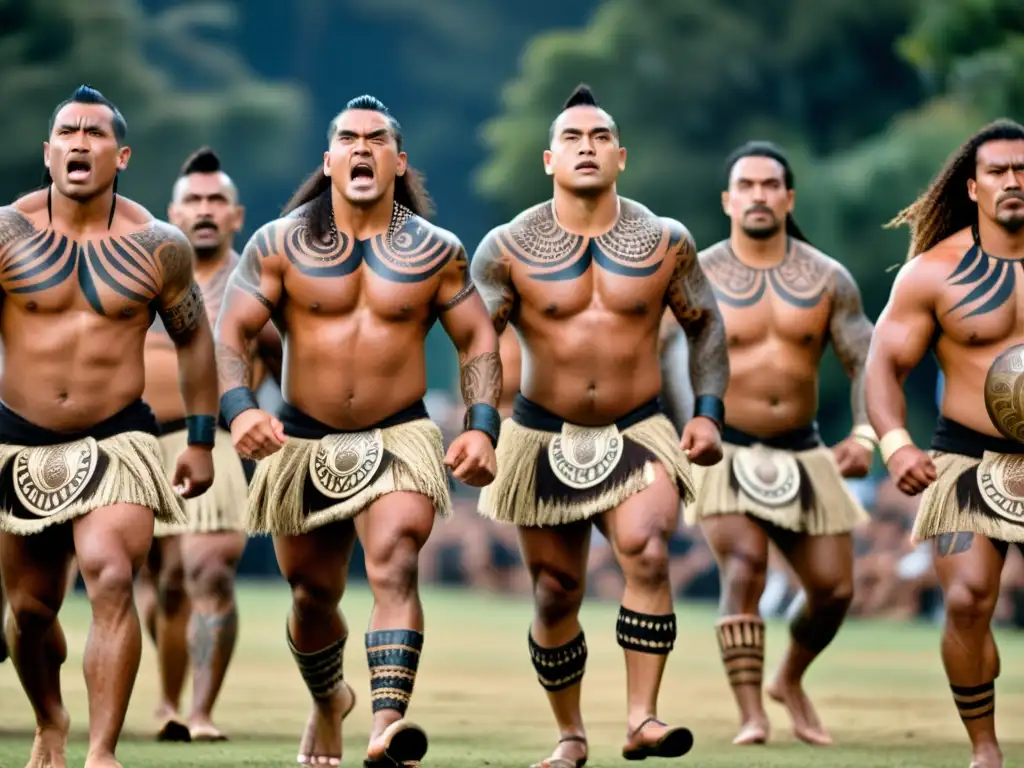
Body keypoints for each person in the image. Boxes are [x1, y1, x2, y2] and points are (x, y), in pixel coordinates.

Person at [214, 94, 501, 767]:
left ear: (399, 161)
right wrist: (241, 408)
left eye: (377, 139)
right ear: (330, 159)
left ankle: (386, 727)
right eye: (349, 138)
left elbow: (479, 340)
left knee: (396, 562)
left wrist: (482, 425)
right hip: (302, 438)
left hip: (399, 435)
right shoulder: (278, 243)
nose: (363, 148)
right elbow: (231, 333)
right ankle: (328, 702)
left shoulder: (437, 251)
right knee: (312, 596)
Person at [471, 83, 728, 767]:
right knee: (556, 594)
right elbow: (478, 342)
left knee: (646, 550)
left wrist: (706, 413)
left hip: (639, 427)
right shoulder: (506, 246)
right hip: (540, 431)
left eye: (599, 138)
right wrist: (480, 426)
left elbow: (705, 327)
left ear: (621, 156)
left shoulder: (666, 240)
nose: (586, 148)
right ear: (549, 160)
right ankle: (570, 735)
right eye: (572, 140)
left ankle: (643, 718)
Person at [0, 85, 218, 768]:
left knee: (112, 577)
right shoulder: (5, 231)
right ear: (48, 150)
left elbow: (195, 342)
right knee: (31, 612)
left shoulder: (160, 246)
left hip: (119, 436)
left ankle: (101, 752)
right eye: (68, 131)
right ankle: (50, 719)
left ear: (120, 155)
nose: (80, 142)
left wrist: (203, 440)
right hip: (19, 436)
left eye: (95, 133)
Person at [673, 141, 874, 747]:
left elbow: (867, 360)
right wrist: (679, 426)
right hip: (722, 445)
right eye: (747, 185)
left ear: (788, 198)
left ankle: (789, 680)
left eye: (770, 185)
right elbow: (654, 353)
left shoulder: (827, 277)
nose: (758, 195)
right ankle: (750, 715)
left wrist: (865, 434)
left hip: (803, 447)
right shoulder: (695, 273)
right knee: (745, 565)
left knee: (836, 590)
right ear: (728, 200)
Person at [866, 118, 1024, 768]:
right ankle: (984, 748)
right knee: (965, 600)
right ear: (973, 185)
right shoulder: (934, 271)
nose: (1014, 181)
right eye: (999, 172)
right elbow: (883, 365)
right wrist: (898, 444)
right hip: (965, 453)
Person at [134, 147, 282, 743]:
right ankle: (167, 702)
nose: (203, 210)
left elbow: (283, 358)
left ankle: (200, 711)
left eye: (215, 200)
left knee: (209, 571)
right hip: (137, 439)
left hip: (217, 439)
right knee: (164, 581)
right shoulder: (143, 270)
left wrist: (252, 413)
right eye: (192, 200)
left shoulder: (258, 281)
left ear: (236, 214)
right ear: (172, 212)